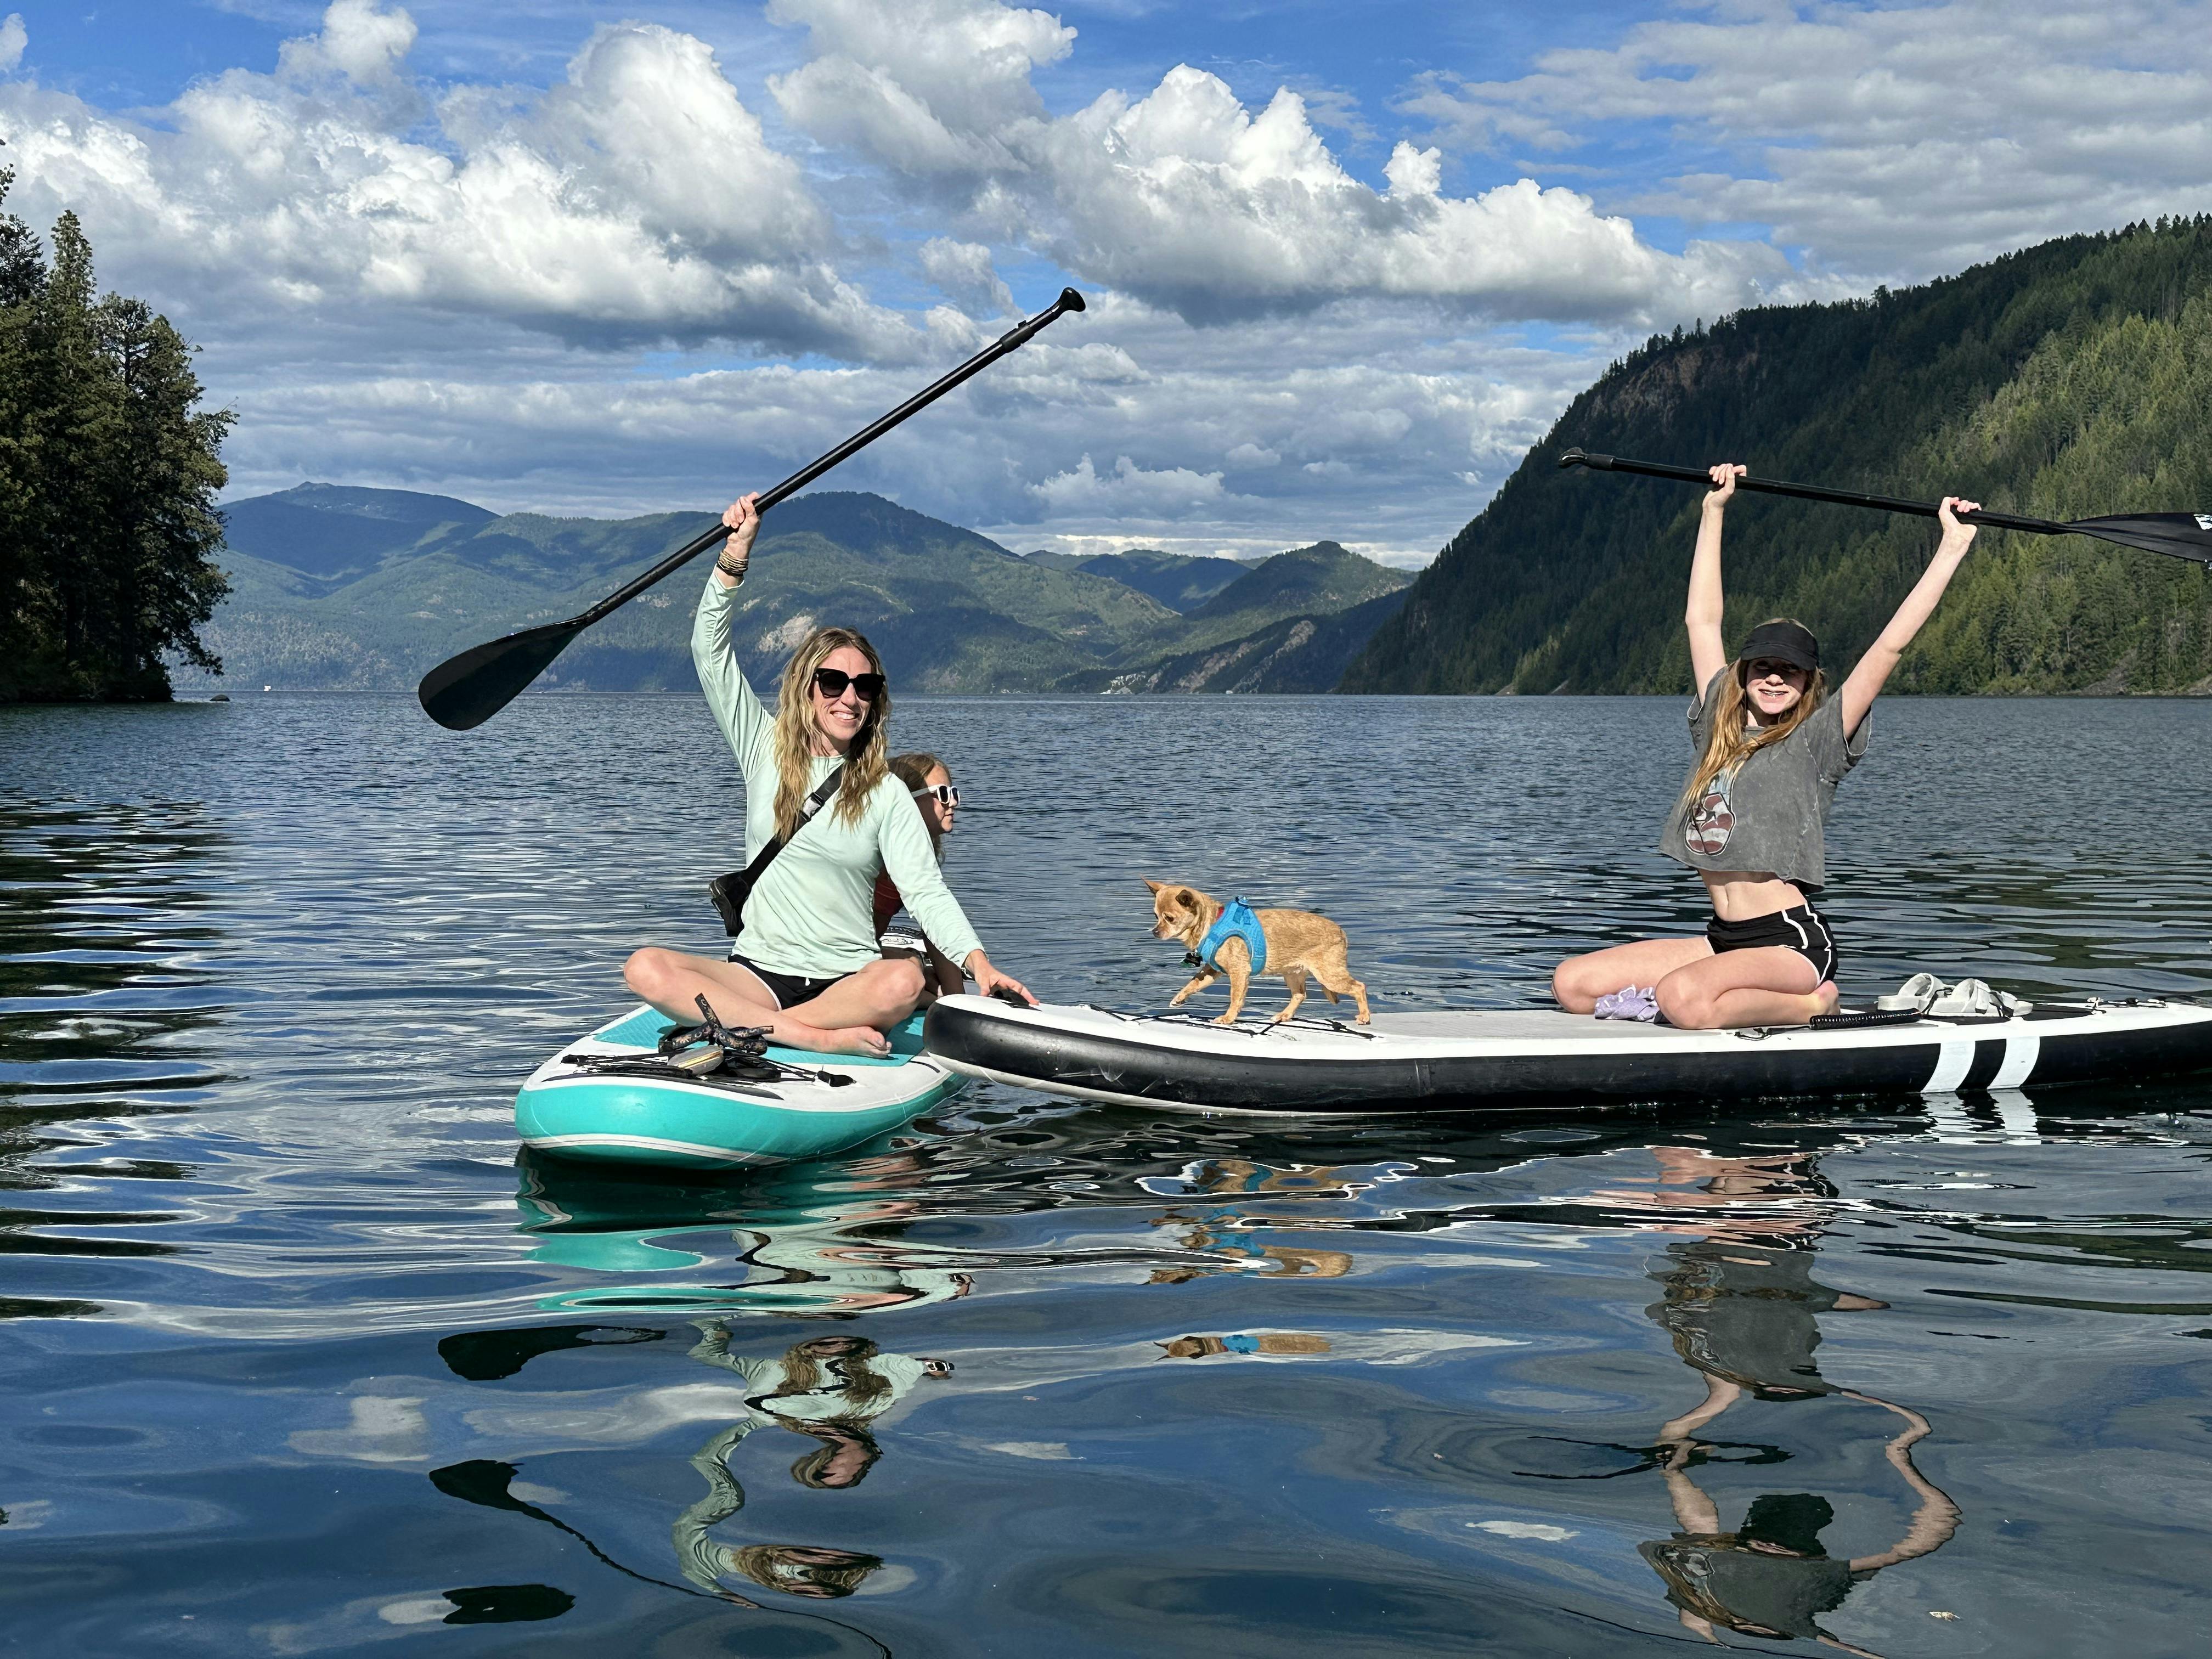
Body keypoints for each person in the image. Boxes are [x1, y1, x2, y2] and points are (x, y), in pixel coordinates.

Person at [1553, 463, 1981, 1029]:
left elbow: (1890, 648)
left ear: (1809, 681)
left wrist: (1950, 545)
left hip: (1791, 947)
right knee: (1573, 985)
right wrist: (1714, 511)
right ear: (1744, 672)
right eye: (1764, 667)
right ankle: (1711, 1000)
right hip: (1725, 940)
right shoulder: (1716, 729)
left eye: (1791, 671)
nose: (1776, 679)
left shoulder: (1818, 743)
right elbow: (1701, 621)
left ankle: (1811, 1005)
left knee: (1684, 998)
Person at [624, 494, 1031, 1057]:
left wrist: (980, 965)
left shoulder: (887, 792)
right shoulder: (764, 748)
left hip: (847, 983)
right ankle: (807, 1036)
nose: (849, 697)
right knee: (645, 966)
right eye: (834, 682)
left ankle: (762, 1029)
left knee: (905, 979)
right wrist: (735, 555)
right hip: (759, 977)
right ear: (806, 688)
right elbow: (709, 654)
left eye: (865, 687)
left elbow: (926, 892)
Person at [873, 752, 969, 1003]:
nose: (954, 803)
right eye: (943, 794)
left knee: (914, 964)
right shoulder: (877, 854)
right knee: (913, 968)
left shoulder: (921, 851)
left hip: (866, 950)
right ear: (907, 801)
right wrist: (951, 1001)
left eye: (954, 792)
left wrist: (957, 996)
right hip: (839, 958)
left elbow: (934, 929)